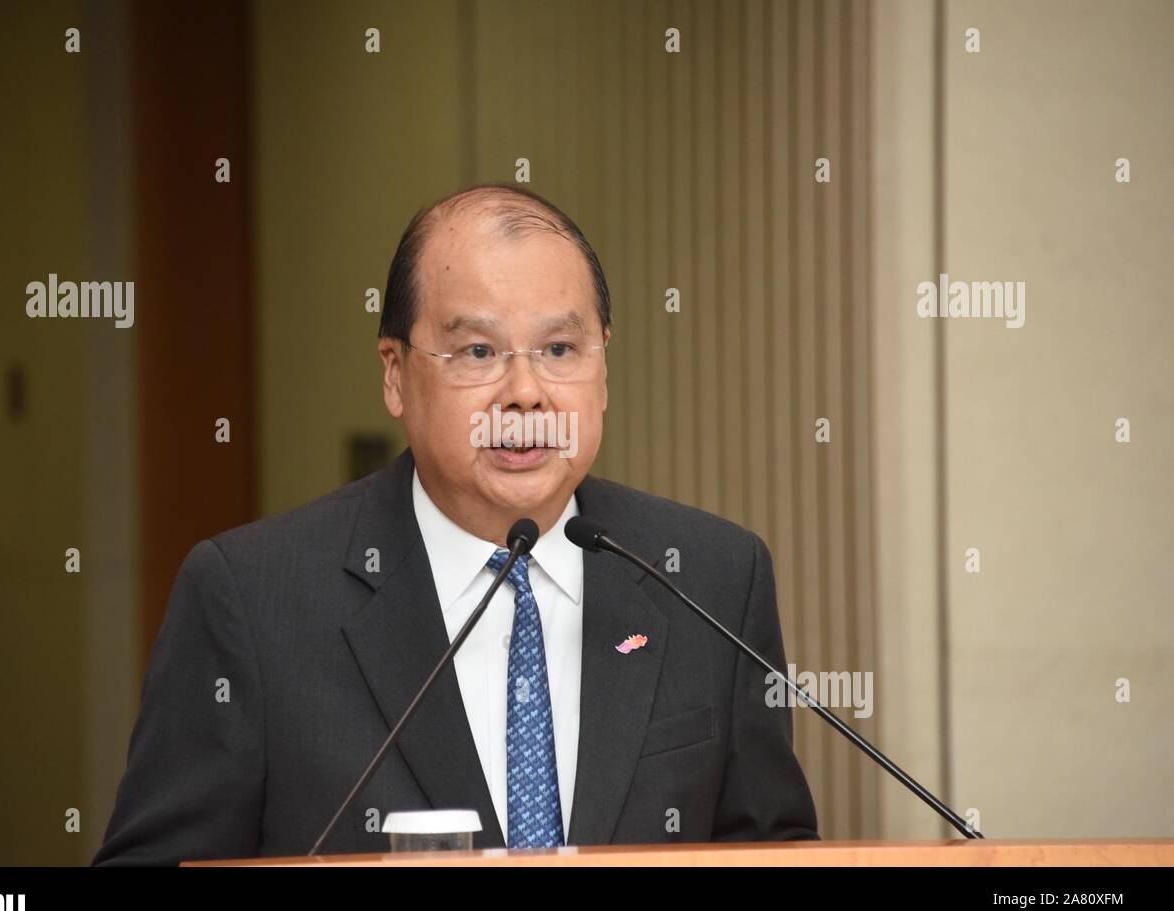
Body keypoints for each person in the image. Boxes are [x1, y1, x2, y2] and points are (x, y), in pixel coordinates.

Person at [92, 183, 817, 865]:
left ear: (604, 366)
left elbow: (773, 851)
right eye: (478, 352)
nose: (527, 393)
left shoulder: (713, 577)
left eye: (560, 350)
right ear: (396, 374)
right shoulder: (252, 601)